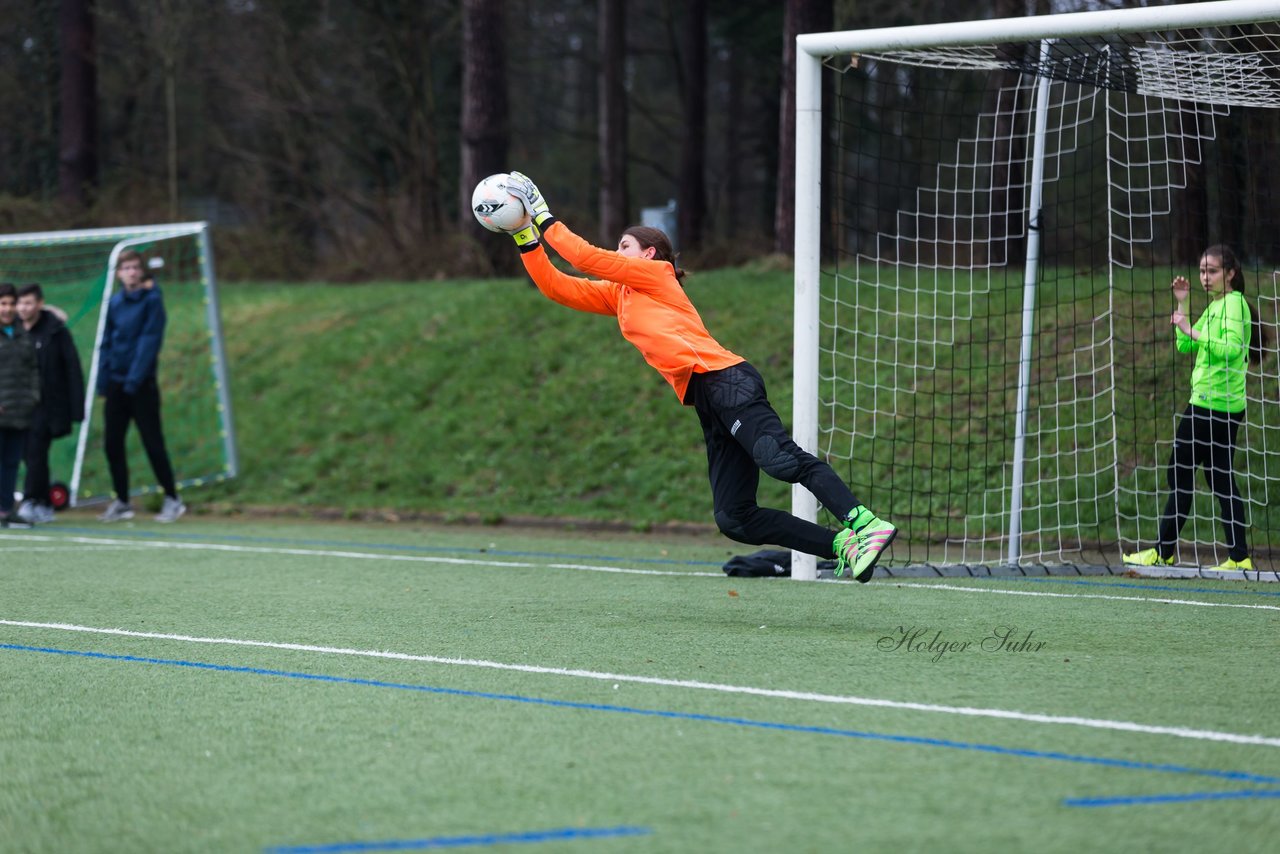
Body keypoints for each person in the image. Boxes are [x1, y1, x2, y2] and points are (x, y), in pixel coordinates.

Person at [498, 171, 897, 581]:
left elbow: (583, 257)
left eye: (624, 245)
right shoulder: (620, 295)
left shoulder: (656, 276)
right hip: (707, 397)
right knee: (735, 517)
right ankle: (843, 545)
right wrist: (524, 235)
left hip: (727, 379)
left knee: (780, 460)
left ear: (650, 254)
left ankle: (865, 524)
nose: (616, 252)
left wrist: (543, 213)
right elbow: (556, 287)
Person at [1124, 244, 1271, 572]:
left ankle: (1163, 552)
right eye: (1203, 271)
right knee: (1219, 478)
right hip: (1223, 406)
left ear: (1230, 273)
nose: (1206, 277)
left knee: (1179, 471)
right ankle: (1239, 557)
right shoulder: (1218, 305)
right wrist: (1184, 306)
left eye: (1213, 271)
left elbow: (1232, 349)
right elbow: (1185, 344)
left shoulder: (1233, 305)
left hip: (1210, 405)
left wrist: (1191, 329)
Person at [96, 250, 186, 523]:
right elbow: (107, 342)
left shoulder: (153, 301)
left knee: (152, 442)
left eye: (135, 267)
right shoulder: (114, 303)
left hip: (140, 386)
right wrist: (104, 379)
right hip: (116, 384)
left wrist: (134, 380)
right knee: (112, 444)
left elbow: (149, 342)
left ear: (142, 271)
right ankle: (122, 501)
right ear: (119, 273)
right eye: (126, 268)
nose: (131, 272)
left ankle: (172, 498)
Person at [15, 284, 85, 524]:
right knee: (28, 454)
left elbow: (72, 368)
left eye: (28, 303)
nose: (23, 308)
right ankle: (43, 501)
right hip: (17, 406)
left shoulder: (55, 331)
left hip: (46, 406)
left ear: (40, 304)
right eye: (20, 303)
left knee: (35, 451)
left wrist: (77, 407)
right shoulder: (10, 329)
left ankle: (31, 501)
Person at [0, 283, 41, 527]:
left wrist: (32, 397)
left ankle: (5, 510)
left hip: (19, 413)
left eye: (11, 303)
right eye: (3, 303)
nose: (7, 308)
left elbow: (33, 369)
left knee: (11, 462)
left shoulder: (23, 334)